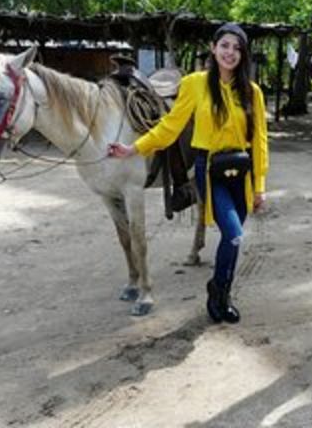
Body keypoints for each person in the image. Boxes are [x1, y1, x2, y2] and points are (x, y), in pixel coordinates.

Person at [108, 23, 269, 324]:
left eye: (237, 48)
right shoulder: (195, 84)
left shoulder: (253, 91)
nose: (230, 52)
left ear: (243, 53)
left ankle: (221, 292)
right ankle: (218, 292)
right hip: (210, 169)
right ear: (213, 48)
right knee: (233, 235)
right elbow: (171, 126)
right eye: (225, 46)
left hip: (242, 173)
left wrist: (259, 185)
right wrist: (134, 148)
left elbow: (259, 140)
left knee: (232, 240)